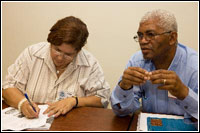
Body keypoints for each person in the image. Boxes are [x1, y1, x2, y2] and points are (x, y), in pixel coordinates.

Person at [3, 16, 110, 119]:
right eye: (57, 50)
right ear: (50, 42)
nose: (59, 58)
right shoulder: (32, 54)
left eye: (68, 54)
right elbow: (7, 87)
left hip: (70, 125)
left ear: (78, 51)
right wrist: (23, 103)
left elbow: (102, 99)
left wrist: (74, 101)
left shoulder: (89, 64)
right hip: (32, 123)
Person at [110, 9, 198, 126]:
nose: (143, 41)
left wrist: (184, 93)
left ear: (172, 38)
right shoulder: (137, 61)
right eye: (140, 35)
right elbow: (122, 112)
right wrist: (124, 87)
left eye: (150, 35)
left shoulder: (194, 67)